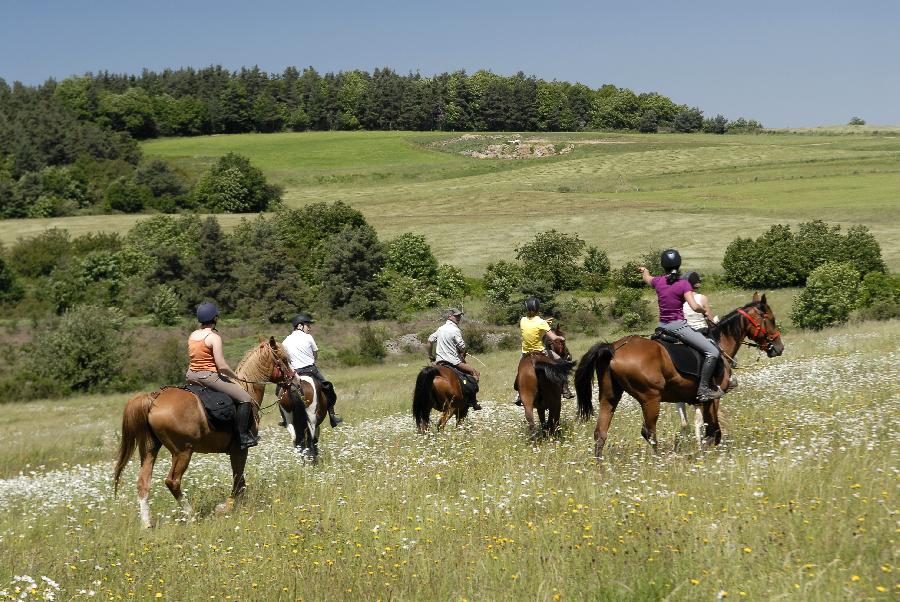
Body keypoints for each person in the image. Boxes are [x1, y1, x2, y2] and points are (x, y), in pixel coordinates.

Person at [639, 250, 723, 402]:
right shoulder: (683, 284)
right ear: (679, 265)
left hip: (662, 326)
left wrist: (645, 270)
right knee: (712, 351)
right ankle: (703, 389)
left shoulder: (658, 281)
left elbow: (647, 278)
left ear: (663, 266)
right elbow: (694, 306)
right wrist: (703, 311)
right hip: (678, 327)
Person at [185, 302, 259, 450]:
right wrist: (237, 377)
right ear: (215, 318)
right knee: (246, 399)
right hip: (209, 377)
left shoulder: (193, 335)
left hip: (191, 376)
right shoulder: (213, 337)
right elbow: (222, 366)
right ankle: (243, 437)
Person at [282, 312, 342, 427]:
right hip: (311, 370)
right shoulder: (308, 337)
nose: (310, 327)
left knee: (280, 392)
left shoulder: (285, 341)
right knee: (328, 388)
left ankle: (286, 419)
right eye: (307, 325)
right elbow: (315, 354)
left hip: (295, 373)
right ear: (300, 326)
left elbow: (286, 359)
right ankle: (332, 416)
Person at [516, 297, 570, 404]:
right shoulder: (541, 322)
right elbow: (553, 338)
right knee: (561, 362)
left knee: (520, 370)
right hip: (541, 352)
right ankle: (564, 388)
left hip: (525, 353)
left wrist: (544, 323)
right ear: (538, 309)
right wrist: (561, 338)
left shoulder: (522, 320)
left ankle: (519, 393)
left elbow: (532, 326)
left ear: (527, 309)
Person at [427, 308, 481, 410]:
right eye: (456, 316)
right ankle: (472, 401)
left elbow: (429, 341)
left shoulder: (440, 329)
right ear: (450, 316)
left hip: (439, 362)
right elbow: (462, 347)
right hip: (453, 362)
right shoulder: (455, 329)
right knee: (475, 373)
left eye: (459, 316)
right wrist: (461, 353)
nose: (459, 318)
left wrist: (430, 355)